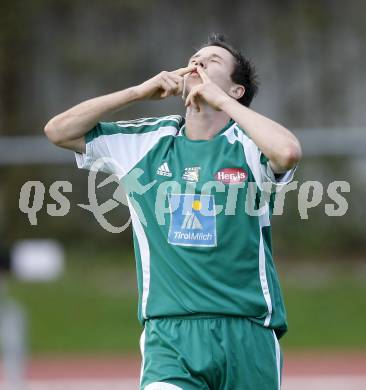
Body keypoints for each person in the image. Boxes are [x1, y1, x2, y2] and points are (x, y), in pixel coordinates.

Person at [44, 33, 302, 390]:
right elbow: (58, 130)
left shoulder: (247, 145)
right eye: (195, 58)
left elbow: (287, 152)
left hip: (247, 332)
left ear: (236, 90)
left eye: (213, 61)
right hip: (170, 336)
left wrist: (223, 104)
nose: (198, 62)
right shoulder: (147, 142)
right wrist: (137, 92)